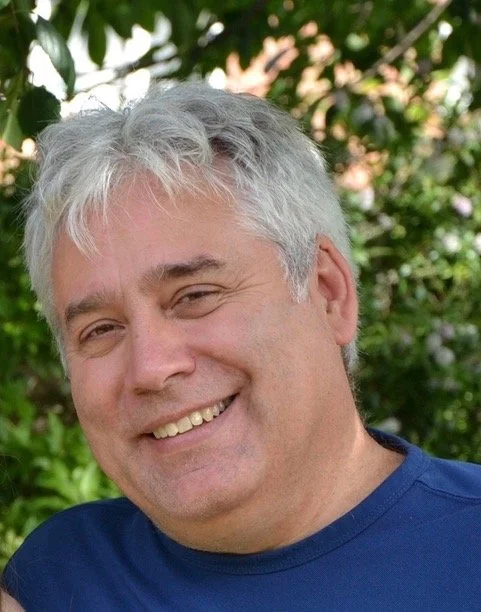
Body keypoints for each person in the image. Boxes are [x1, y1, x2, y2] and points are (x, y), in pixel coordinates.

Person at [2, 83, 481, 611]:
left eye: (194, 296)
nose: (151, 368)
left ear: (327, 293)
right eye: (100, 329)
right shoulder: (58, 578)